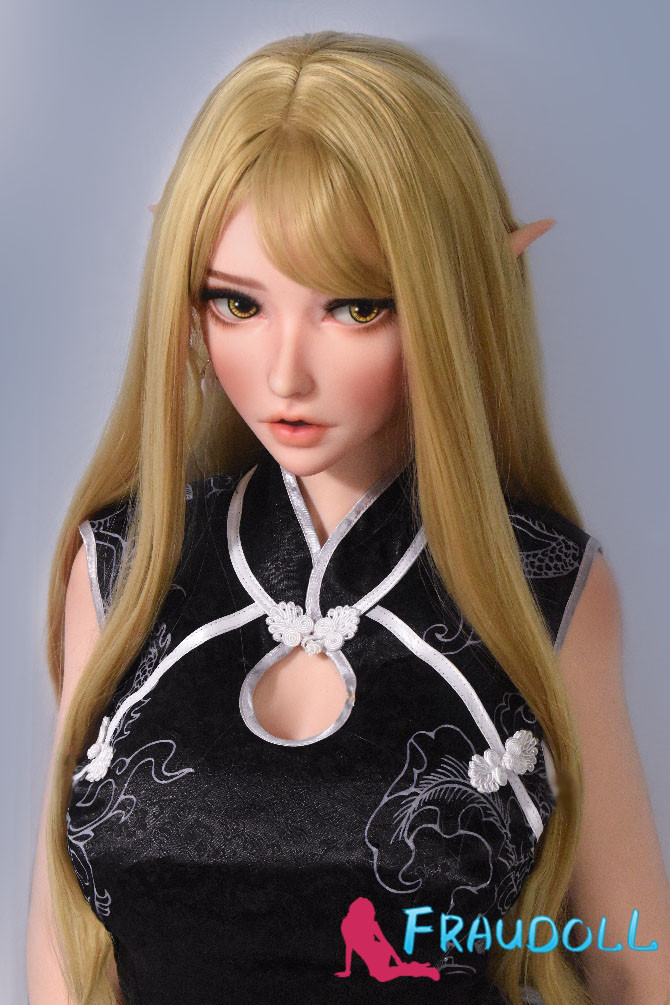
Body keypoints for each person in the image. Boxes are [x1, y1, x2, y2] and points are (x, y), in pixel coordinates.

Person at [26, 29, 668, 1005]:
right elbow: (63, 951)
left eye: (355, 307)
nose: (285, 373)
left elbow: (629, 960)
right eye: (237, 303)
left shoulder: (540, 583)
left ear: (461, 295)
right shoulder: (123, 565)